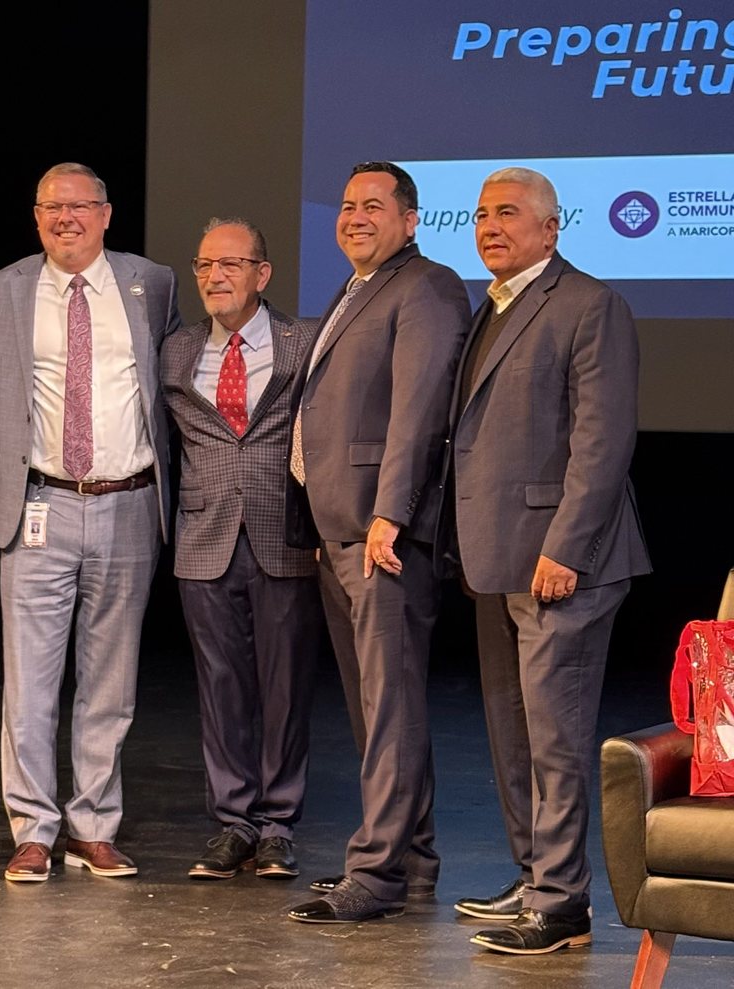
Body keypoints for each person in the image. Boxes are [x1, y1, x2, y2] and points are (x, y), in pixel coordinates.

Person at [440, 166, 652, 954]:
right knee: (513, 730)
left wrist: (566, 546)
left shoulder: (590, 304)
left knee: (555, 738)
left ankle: (562, 904)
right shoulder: (491, 306)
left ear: (551, 228)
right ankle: (536, 875)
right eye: (480, 214)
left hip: (562, 562)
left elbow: (603, 440)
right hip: (495, 557)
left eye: (507, 213)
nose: (489, 227)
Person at [0, 162, 181, 882]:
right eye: (52, 207)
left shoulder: (153, 283)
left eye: (80, 206)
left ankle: (93, 826)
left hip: (129, 501)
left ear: (106, 214)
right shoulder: (4, 287)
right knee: (29, 682)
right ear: (36, 217)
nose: (66, 218)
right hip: (39, 502)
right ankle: (32, 830)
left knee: (110, 681)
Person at [285, 161, 470, 922]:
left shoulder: (426, 286)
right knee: (374, 707)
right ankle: (410, 861)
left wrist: (389, 513)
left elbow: (420, 410)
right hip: (339, 529)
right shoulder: (357, 287)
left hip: (379, 532)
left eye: (373, 205)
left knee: (389, 703)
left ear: (411, 219)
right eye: (347, 204)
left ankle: (378, 873)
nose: (355, 216)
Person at [161, 218, 323, 881]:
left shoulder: (304, 341)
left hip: (285, 534)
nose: (215, 276)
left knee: (285, 688)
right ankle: (234, 822)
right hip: (205, 537)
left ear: (262, 273)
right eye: (204, 265)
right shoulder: (175, 351)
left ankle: (278, 825)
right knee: (221, 687)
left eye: (230, 264)